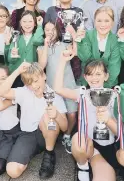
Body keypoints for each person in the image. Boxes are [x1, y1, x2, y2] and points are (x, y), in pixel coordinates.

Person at [54, 49, 121, 181]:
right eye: (89, 74)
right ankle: (82, 165)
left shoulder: (114, 95)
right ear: (85, 77)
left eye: (98, 74)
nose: (94, 78)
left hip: (106, 148)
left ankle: (93, 165)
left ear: (106, 76)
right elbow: (58, 89)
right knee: (77, 140)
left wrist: (107, 120)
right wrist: (62, 61)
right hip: (87, 145)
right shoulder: (82, 93)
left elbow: (119, 133)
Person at [0, 62, 68, 179]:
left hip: (46, 134)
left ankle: (49, 154)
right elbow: (1, 92)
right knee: (12, 171)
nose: (33, 86)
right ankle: (31, 153)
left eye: (36, 81)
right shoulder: (24, 91)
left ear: (44, 76)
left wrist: (56, 115)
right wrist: (18, 70)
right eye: (29, 83)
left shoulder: (54, 95)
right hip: (27, 135)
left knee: (46, 116)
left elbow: (65, 127)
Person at [38, 21, 77, 154]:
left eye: (52, 29)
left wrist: (73, 34)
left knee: (72, 113)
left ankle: (67, 135)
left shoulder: (65, 44)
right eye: (46, 29)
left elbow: (75, 52)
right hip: (51, 87)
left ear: (57, 30)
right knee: (55, 112)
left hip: (68, 84)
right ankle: (54, 136)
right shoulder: (41, 48)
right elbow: (41, 65)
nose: (49, 31)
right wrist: (45, 45)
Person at [44, 0, 84, 82]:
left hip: (73, 52)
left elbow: (81, 33)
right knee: (56, 80)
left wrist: (74, 39)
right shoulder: (51, 10)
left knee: (72, 81)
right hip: (55, 52)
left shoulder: (79, 11)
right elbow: (45, 31)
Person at [77, 6, 121, 88]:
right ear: (94, 21)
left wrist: (103, 87)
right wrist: (81, 41)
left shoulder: (116, 40)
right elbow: (85, 58)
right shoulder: (87, 35)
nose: (103, 24)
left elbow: (114, 68)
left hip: (109, 85)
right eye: (99, 21)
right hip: (88, 83)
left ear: (112, 22)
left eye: (107, 21)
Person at [7, 10, 44, 87]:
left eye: (30, 21)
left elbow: (37, 41)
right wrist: (13, 55)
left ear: (34, 24)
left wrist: (40, 25)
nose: (27, 24)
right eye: (24, 21)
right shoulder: (16, 37)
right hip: (16, 75)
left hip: (32, 75)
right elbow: (10, 60)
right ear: (20, 23)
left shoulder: (37, 36)